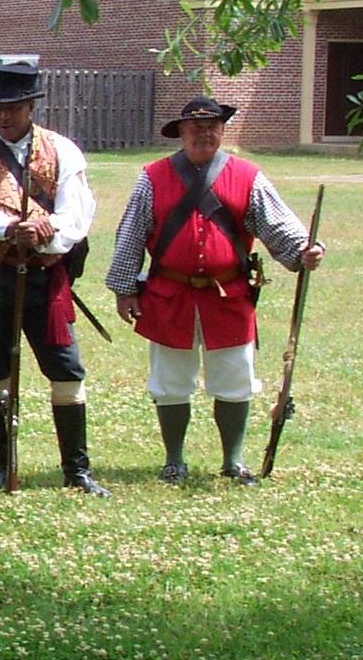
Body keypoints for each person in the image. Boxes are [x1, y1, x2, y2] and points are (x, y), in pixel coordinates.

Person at [102, 97, 325, 486]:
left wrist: (304, 249)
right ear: (181, 132)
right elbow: (132, 233)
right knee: (170, 382)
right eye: (195, 128)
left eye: (211, 127)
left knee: (235, 379)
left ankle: (233, 461)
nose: (203, 134)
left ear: (222, 131)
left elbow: (277, 224)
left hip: (229, 295)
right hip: (170, 294)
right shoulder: (152, 177)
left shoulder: (248, 176)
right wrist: (125, 289)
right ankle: (174, 460)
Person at [0, 63, 109, 496]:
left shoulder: (63, 151)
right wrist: (7, 228)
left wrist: (44, 233)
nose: (5, 116)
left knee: (66, 368)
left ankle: (77, 470)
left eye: (14, 108)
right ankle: (3, 464)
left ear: (31, 107)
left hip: (45, 276)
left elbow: (77, 216)